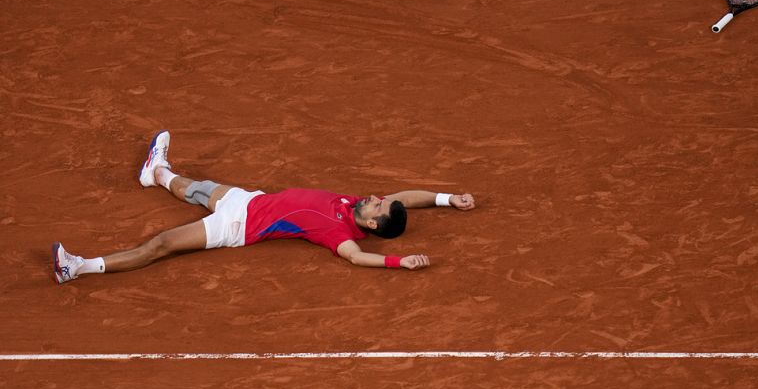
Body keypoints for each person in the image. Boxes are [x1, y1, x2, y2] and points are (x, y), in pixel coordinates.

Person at [52, 131, 476, 284]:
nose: (376, 197)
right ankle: (156, 172)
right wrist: (447, 199)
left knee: (161, 244)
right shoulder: (357, 206)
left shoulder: (340, 233)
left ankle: (79, 268)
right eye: (381, 199)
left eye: (378, 205)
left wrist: (398, 263)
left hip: (237, 227)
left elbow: (359, 258)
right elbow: (407, 198)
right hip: (249, 200)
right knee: (191, 189)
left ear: (372, 224)